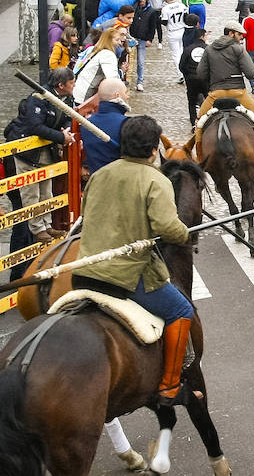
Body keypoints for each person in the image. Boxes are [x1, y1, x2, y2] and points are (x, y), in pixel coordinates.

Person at [74, 115, 193, 406]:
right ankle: (170, 385)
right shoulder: (156, 180)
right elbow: (168, 228)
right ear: (153, 150)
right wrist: (184, 233)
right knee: (181, 309)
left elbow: (88, 213)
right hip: (126, 276)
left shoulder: (100, 174)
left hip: (84, 268)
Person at [3, 67, 75, 242]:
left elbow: (69, 117)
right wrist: (61, 137)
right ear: (61, 85)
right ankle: (37, 228)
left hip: (46, 151)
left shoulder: (67, 98)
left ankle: (47, 225)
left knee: (46, 192)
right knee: (31, 193)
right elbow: (35, 126)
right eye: (72, 83)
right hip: (28, 153)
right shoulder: (38, 99)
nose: (74, 86)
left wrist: (66, 130)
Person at [195, 21, 254, 168]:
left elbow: (200, 74)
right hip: (238, 93)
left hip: (216, 94)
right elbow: (250, 73)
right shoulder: (238, 49)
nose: (242, 37)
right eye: (239, 34)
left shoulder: (209, 49)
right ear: (231, 33)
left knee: (199, 123)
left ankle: (199, 158)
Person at [81, 78, 130, 173]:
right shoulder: (126, 124)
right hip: (120, 178)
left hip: (95, 177)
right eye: (125, 93)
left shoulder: (86, 124)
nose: (127, 96)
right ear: (117, 96)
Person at [73, 27, 126, 104]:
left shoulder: (94, 50)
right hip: (86, 96)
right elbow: (112, 79)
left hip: (78, 90)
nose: (119, 43)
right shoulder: (108, 55)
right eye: (117, 40)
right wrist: (122, 93)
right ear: (108, 40)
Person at [179, 28, 208, 125]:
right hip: (205, 79)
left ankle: (193, 123)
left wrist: (187, 76)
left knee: (192, 102)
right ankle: (206, 120)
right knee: (208, 101)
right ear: (202, 37)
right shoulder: (208, 49)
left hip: (191, 79)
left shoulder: (188, 49)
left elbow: (181, 65)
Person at [160, 0, 188, 82]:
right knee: (182, 52)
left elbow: (164, 22)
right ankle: (186, 72)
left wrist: (159, 19)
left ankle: (181, 74)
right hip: (182, 30)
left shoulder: (165, 9)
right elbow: (186, 18)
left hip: (172, 32)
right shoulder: (181, 6)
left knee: (176, 55)